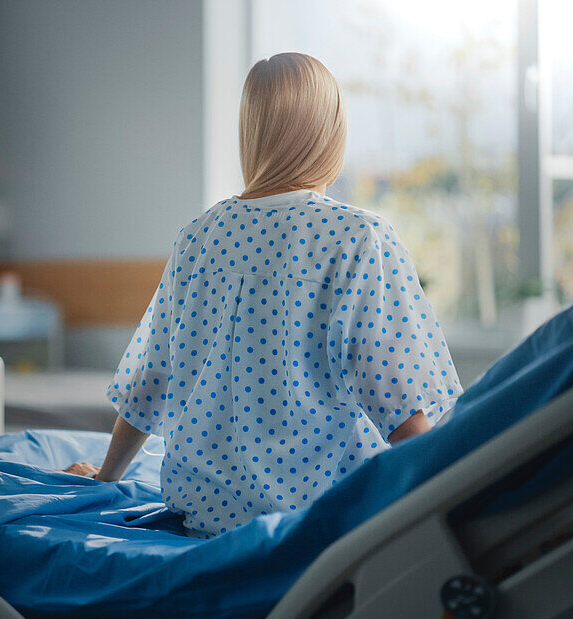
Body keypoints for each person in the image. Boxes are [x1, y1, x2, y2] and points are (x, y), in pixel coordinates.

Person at [64, 52, 461, 537]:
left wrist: (106, 477)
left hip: (205, 525)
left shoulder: (197, 237)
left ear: (250, 133)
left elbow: (149, 379)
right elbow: (397, 401)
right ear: (329, 133)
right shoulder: (356, 238)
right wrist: (457, 496)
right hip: (317, 530)